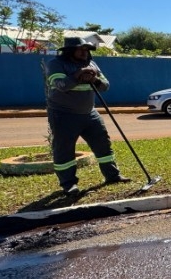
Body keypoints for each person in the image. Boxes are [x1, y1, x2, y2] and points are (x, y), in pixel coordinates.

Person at [44, 36, 131, 195]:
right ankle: (69, 184)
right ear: (70, 50)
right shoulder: (56, 64)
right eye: (80, 49)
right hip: (63, 114)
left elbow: (105, 86)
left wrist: (94, 79)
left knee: (103, 144)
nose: (85, 52)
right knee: (64, 149)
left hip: (90, 113)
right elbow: (62, 85)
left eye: (86, 49)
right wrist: (77, 75)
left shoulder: (91, 64)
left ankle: (112, 176)